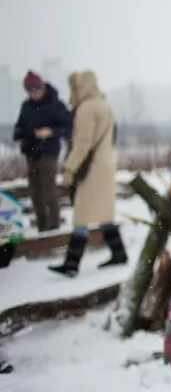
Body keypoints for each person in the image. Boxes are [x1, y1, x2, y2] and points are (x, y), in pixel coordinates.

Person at [48, 71, 126, 277]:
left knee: (81, 214)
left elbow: (82, 144)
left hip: (91, 167)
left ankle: (72, 264)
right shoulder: (104, 105)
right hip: (105, 163)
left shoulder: (86, 109)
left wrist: (69, 168)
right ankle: (119, 253)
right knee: (103, 212)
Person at [12, 71, 73, 232]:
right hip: (31, 152)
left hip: (48, 152)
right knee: (35, 192)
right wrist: (24, 133)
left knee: (48, 190)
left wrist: (51, 132)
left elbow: (67, 126)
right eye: (30, 92)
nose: (34, 95)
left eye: (36, 91)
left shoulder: (55, 104)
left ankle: (53, 226)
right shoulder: (26, 106)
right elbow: (19, 127)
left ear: (43, 88)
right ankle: (42, 226)